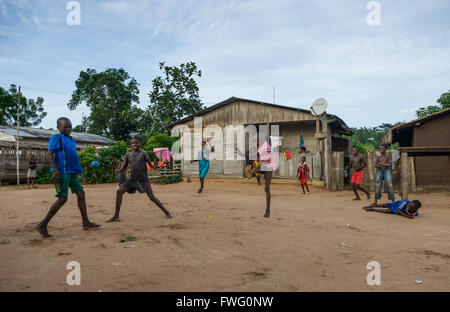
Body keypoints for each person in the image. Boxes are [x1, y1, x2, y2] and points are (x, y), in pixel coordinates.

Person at [36, 117, 100, 238]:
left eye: (70, 126)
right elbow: (50, 154)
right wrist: (55, 171)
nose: (68, 129)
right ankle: (42, 225)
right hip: (62, 173)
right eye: (65, 126)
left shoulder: (71, 140)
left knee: (81, 194)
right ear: (58, 127)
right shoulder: (57, 138)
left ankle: (85, 222)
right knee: (62, 199)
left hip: (71, 173)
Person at [107, 137, 172, 222]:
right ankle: (116, 216)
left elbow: (150, 164)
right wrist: (119, 171)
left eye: (136, 143)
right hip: (132, 179)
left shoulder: (144, 153)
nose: (134, 144)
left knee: (152, 197)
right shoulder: (128, 155)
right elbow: (123, 168)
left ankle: (166, 212)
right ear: (131, 144)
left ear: (140, 144)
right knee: (119, 192)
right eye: (133, 143)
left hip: (143, 180)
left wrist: (156, 165)